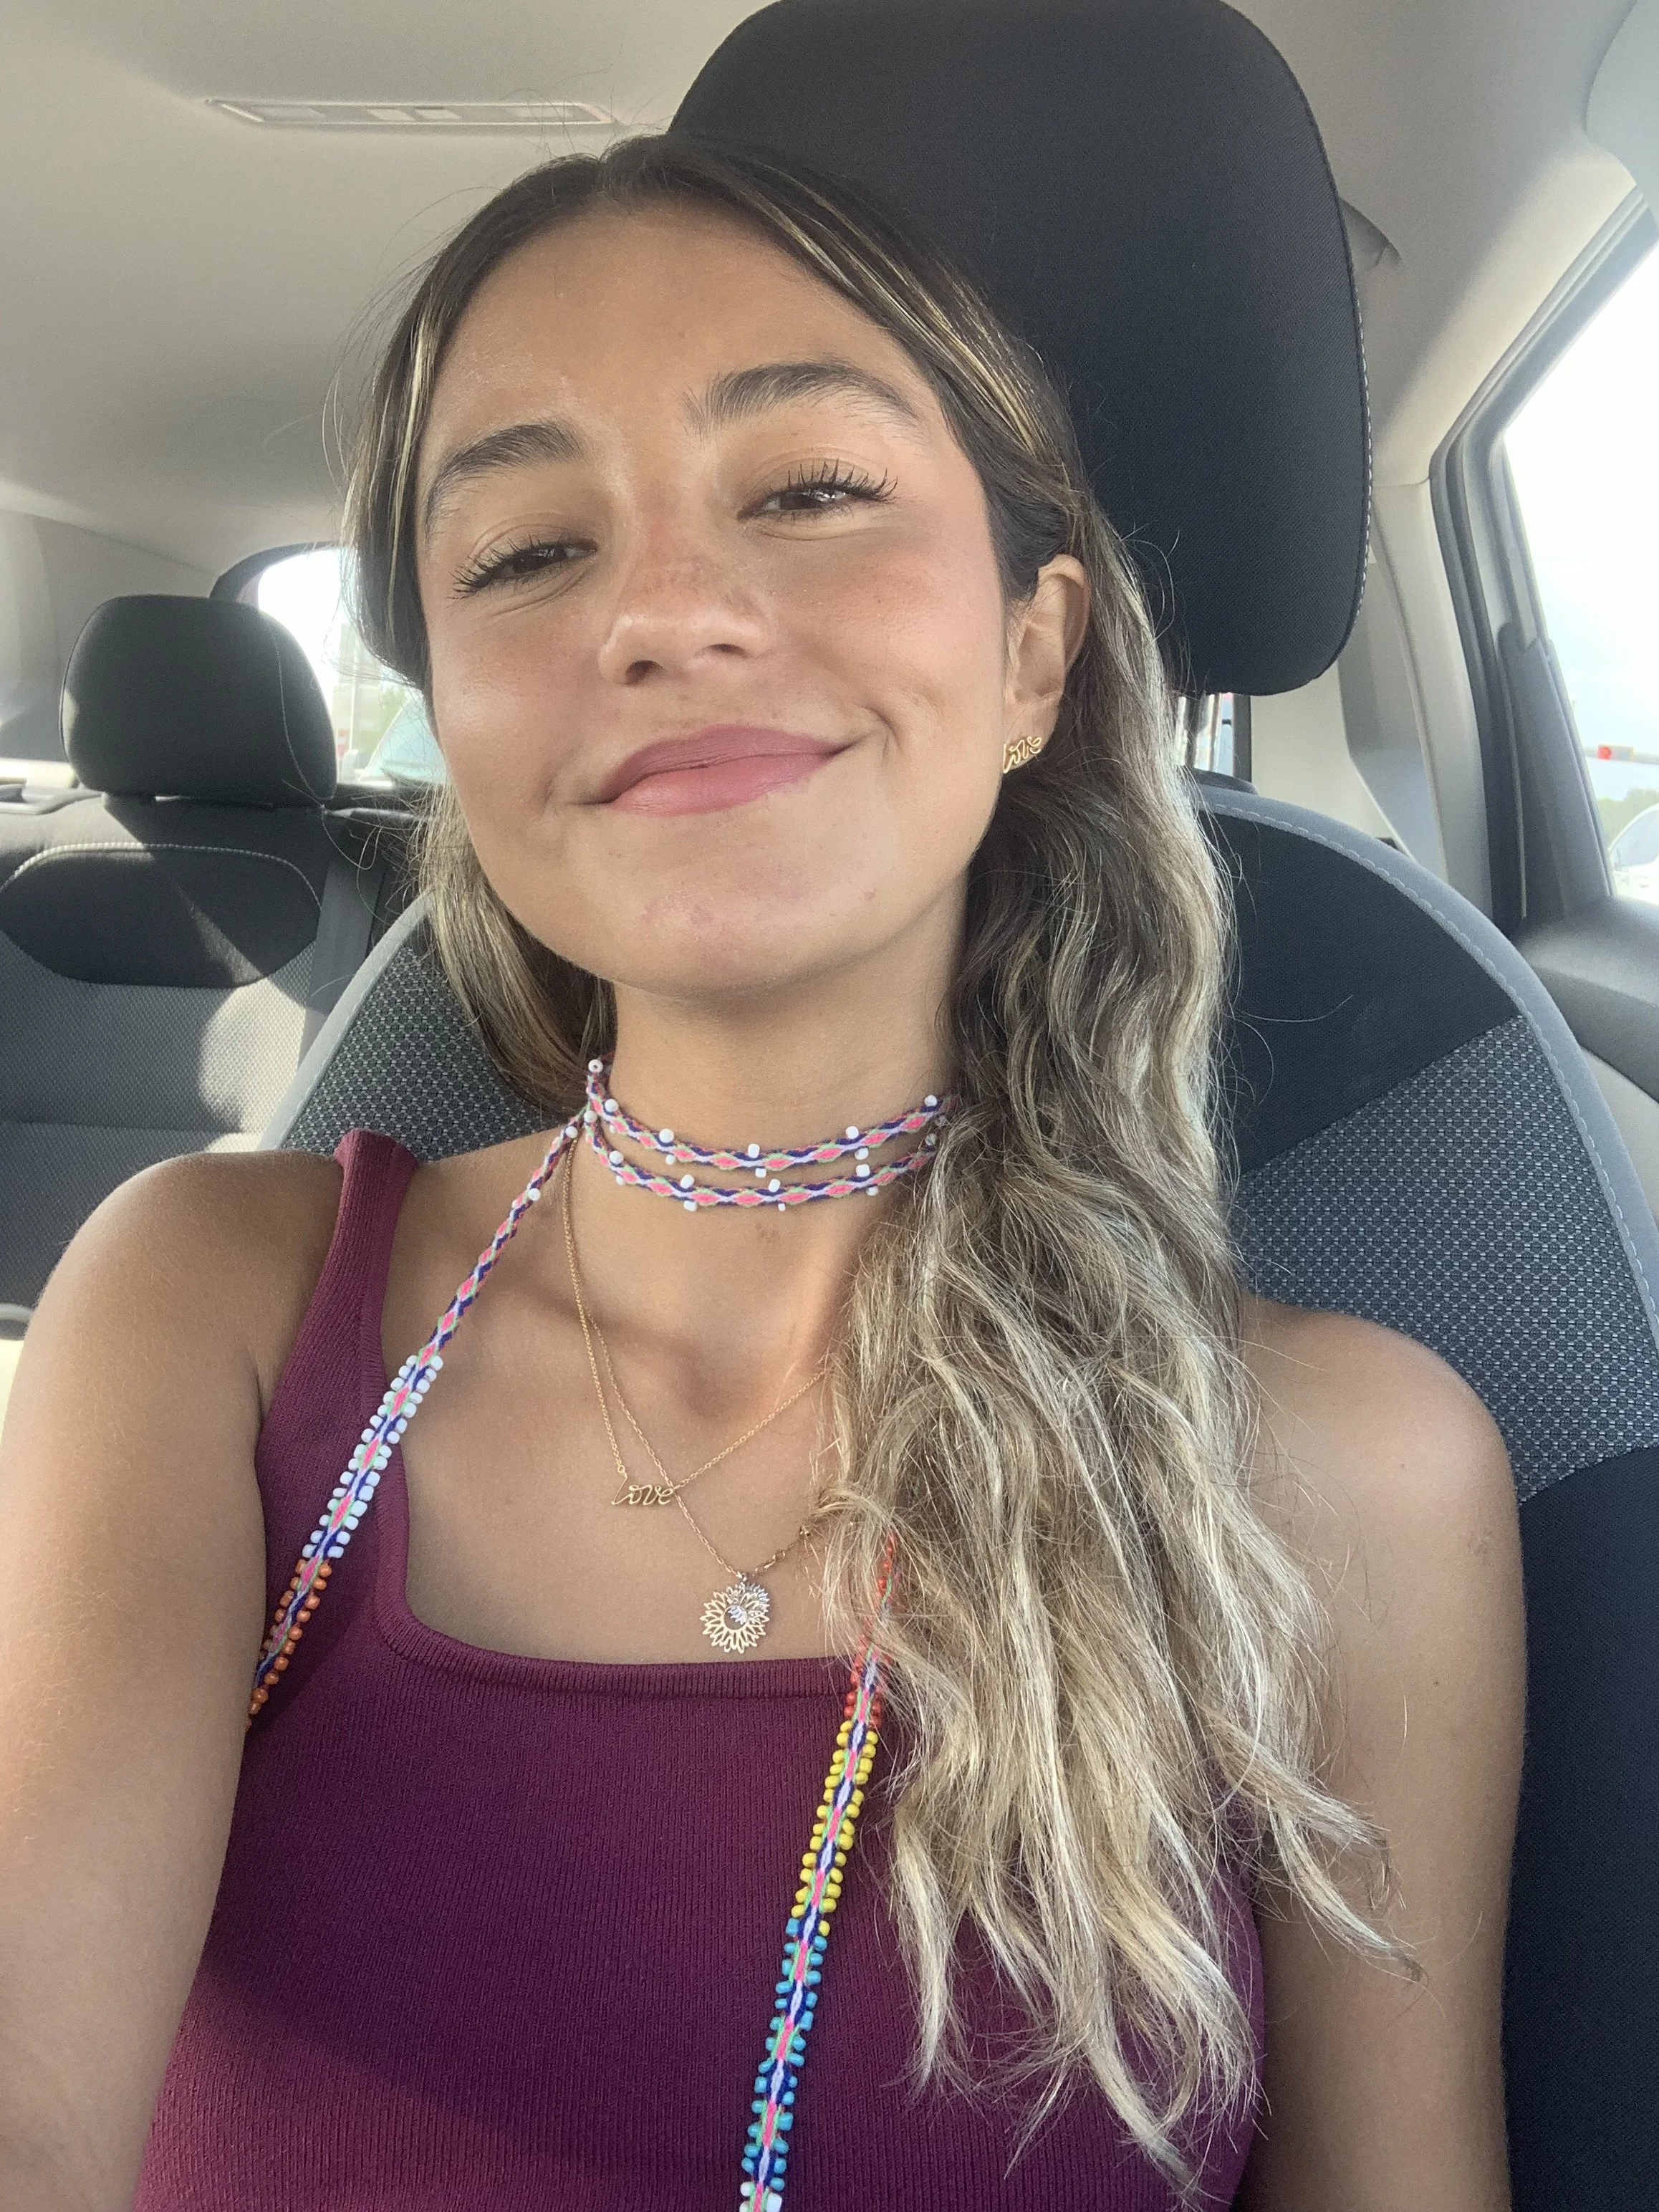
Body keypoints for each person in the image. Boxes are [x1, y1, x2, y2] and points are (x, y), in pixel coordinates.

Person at [0, 135, 1524, 2211]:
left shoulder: (1337, 1465)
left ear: (1029, 653)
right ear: (449, 717)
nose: (669, 612)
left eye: (807, 493)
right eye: (527, 550)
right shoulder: (208, 1303)